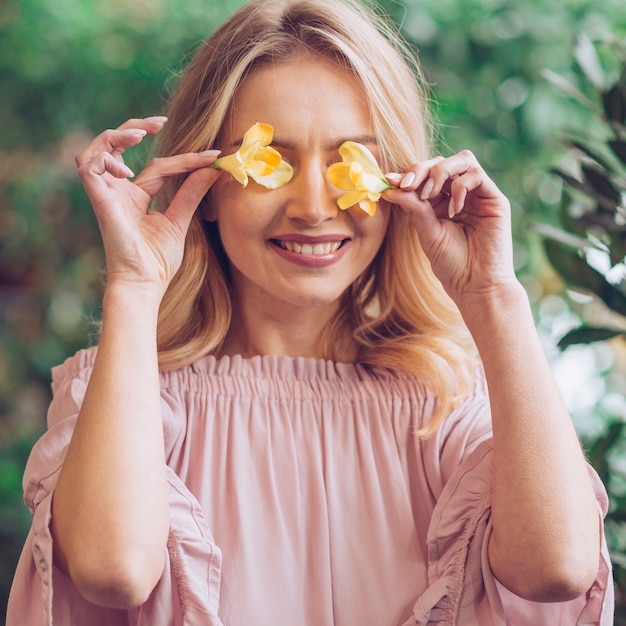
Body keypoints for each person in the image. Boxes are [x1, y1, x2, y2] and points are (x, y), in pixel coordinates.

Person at [7, 0, 614, 624]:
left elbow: (559, 570)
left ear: (401, 184)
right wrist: (134, 287)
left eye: (351, 159)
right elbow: (114, 570)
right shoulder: (124, 395)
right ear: (203, 187)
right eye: (272, 161)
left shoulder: (449, 406)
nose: (314, 206)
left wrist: (494, 297)